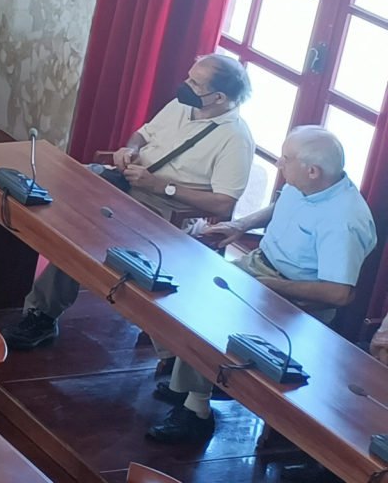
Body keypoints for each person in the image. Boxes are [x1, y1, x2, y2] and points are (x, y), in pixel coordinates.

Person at [5, 53, 256, 352]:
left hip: (163, 208)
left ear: (218, 97)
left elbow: (223, 204)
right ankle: (7, 276)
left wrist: (163, 187)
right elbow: (142, 135)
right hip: (126, 181)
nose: (185, 85)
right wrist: (130, 149)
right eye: (189, 77)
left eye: (195, 83)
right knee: (57, 181)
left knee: (83, 230)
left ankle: (42, 315)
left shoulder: (236, 139)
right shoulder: (183, 105)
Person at [145, 126, 375, 445]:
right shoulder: (309, 183)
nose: (279, 163)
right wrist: (240, 225)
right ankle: (189, 374)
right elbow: (282, 207)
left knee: (206, 315)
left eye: (286, 158)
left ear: (312, 170)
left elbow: (339, 293)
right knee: (174, 287)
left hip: (295, 297)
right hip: (260, 267)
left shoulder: (344, 219)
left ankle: (196, 410)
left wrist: (269, 286)